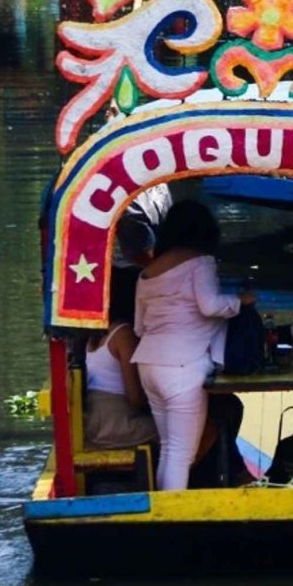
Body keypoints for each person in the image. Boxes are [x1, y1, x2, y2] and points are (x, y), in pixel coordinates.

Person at [132, 200, 256, 491]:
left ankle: (160, 514)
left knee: (169, 448)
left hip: (148, 364)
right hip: (183, 366)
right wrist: (241, 301)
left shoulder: (147, 272)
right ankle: (170, 522)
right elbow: (211, 305)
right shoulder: (201, 263)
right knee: (182, 454)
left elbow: (139, 327)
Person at [82, 265, 160, 450]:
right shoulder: (123, 334)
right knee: (192, 427)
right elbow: (136, 398)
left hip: (93, 426)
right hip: (117, 426)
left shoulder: (91, 333)